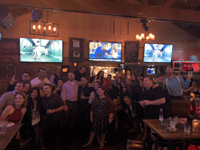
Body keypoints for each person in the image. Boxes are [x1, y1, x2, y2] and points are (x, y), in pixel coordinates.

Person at [42, 84, 68, 150]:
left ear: (50, 89)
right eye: (44, 88)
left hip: (58, 119)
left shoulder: (56, 97)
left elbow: (63, 106)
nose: (44, 90)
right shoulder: (43, 98)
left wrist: (53, 110)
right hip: (49, 120)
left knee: (60, 137)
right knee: (50, 137)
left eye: (46, 88)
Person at [76, 77, 93, 141]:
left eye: (84, 80)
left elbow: (92, 97)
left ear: (87, 81)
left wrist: (85, 97)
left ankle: (86, 137)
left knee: (87, 121)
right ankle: (81, 136)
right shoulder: (79, 87)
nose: (82, 81)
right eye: (81, 80)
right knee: (80, 120)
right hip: (80, 106)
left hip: (87, 106)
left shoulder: (90, 88)